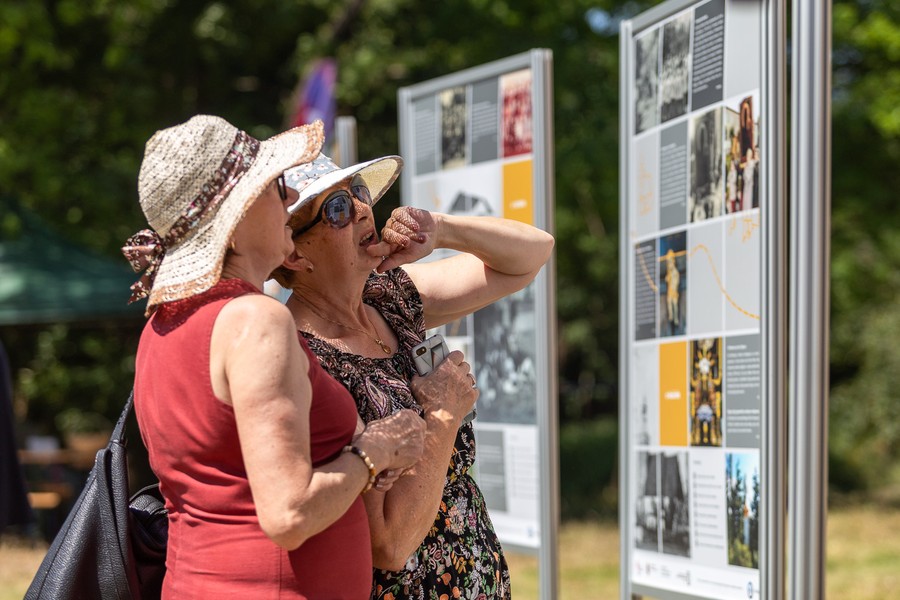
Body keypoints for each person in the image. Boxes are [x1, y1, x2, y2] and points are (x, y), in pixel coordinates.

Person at [123, 115, 425, 599]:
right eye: (274, 188)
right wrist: (376, 452)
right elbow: (288, 514)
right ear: (236, 220)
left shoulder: (163, 323)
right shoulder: (256, 320)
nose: (288, 201)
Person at [271, 152, 554, 599]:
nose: (364, 209)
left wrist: (440, 229)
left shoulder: (390, 295)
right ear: (294, 254)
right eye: (338, 210)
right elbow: (390, 544)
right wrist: (442, 414)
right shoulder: (301, 359)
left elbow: (534, 252)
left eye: (358, 193)